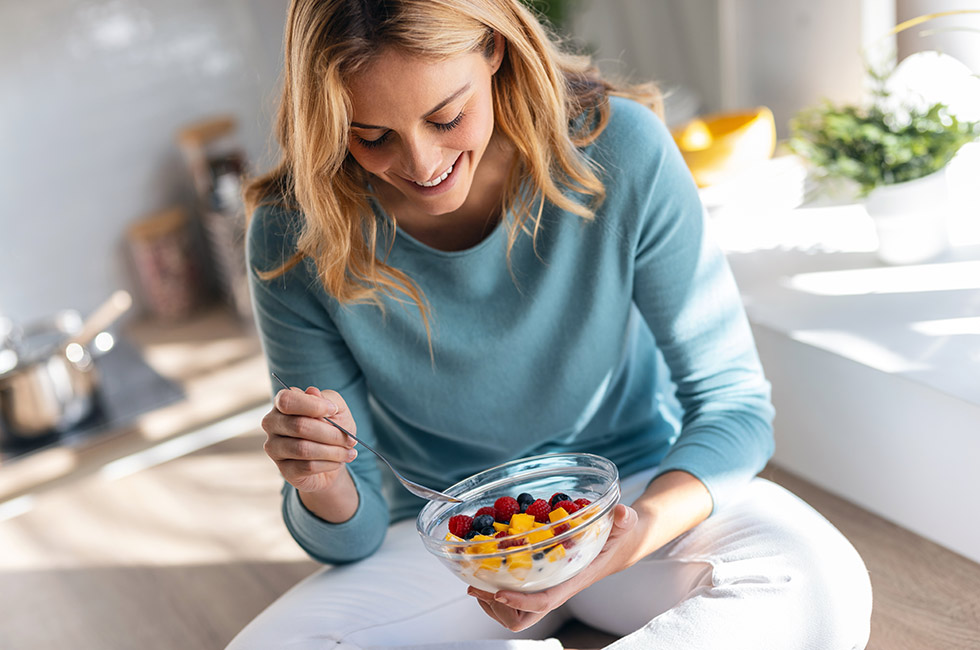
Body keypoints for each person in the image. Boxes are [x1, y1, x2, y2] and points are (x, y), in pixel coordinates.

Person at [228, 1, 872, 648]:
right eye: (371, 136)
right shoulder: (293, 232)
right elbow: (352, 534)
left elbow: (734, 408)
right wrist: (322, 479)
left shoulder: (620, 149)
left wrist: (629, 537)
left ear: (495, 49)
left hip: (629, 500)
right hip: (450, 549)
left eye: (446, 117)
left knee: (822, 584)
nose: (422, 166)